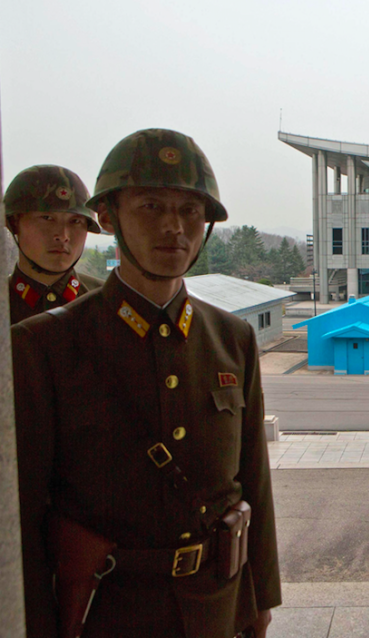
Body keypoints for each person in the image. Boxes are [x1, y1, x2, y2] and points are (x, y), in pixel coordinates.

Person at [12, 129, 281, 638]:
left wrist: (260, 599)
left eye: (190, 211)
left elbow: (253, 481)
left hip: (217, 606)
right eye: (151, 206)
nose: (173, 227)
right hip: (108, 612)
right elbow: (24, 515)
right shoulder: (44, 345)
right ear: (109, 218)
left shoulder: (232, 337)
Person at [5, 165, 103, 324]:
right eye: (47, 218)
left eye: (75, 221)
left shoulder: (110, 302)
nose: (63, 236)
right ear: (15, 224)